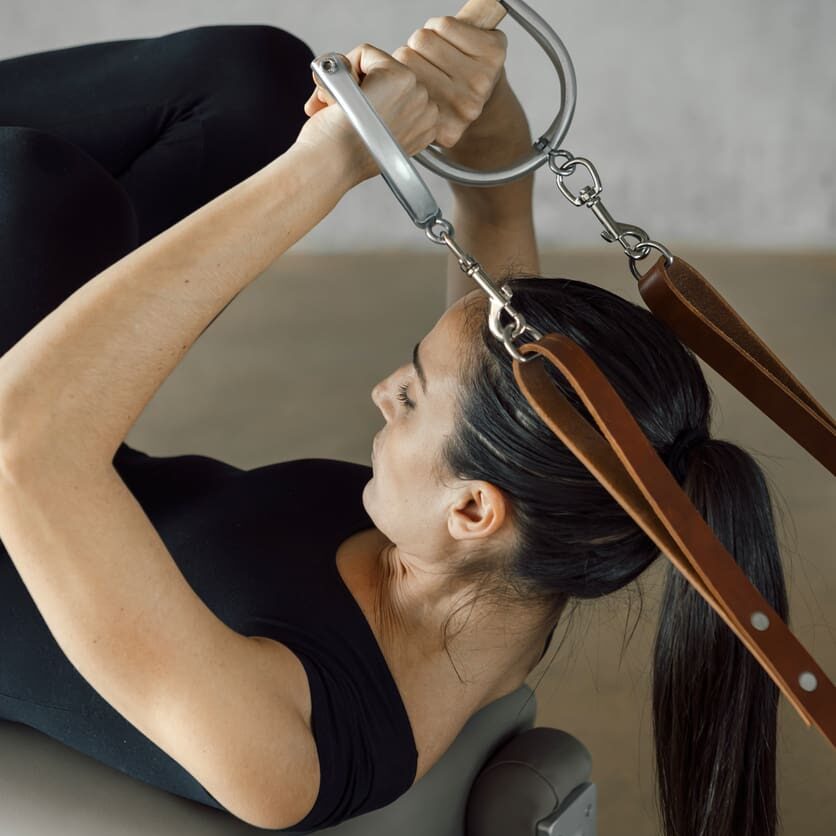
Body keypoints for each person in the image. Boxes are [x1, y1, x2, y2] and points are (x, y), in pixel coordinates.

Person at [0, 19, 787, 836]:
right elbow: (491, 200)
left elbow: (23, 446)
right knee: (253, 84)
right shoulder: (539, 537)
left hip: (24, 466)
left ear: (472, 510)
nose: (382, 391)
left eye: (410, 396)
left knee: (36, 190)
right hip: (53, 452)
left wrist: (332, 167)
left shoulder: (288, 745)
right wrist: (468, 100)